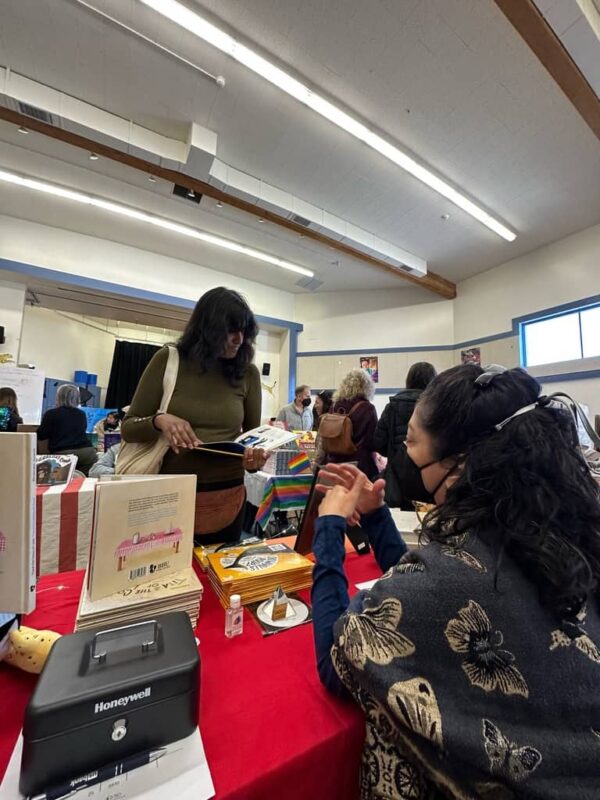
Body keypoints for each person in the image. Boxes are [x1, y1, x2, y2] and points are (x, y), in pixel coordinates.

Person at [311, 365, 600, 799]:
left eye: (411, 441)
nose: (403, 453)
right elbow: (423, 583)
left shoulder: (443, 581)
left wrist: (330, 525)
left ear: (460, 462)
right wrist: (376, 515)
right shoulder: (554, 535)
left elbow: (337, 661)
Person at [121, 287, 267, 544]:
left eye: (244, 331)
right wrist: (159, 420)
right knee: (167, 567)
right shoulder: (169, 360)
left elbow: (251, 440)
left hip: (227, 496)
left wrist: (255, 460)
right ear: (208, 329)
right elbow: (128, 428)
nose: (239, 339)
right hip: (169, 496)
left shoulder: (248, 374)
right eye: (231, 331)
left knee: (221, 568)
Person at [374, 361, 437, 508]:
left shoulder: (392, 407)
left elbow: (378, 442)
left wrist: (394, 453)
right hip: (428, 476)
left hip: (397, 477)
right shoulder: (436, 407)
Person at [324, 369, 378, 479]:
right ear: (366, 386)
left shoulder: (334, 406)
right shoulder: (368, 408)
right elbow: (372, 441)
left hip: (334, 463)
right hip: (359, 465)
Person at [37, 385, 97, 474]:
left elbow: (41, 435)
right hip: (87, 452)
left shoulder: (51, 414)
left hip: (63, 454)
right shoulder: (81, 414)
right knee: (84, 479)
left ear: (59, 397)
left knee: (60, 481)